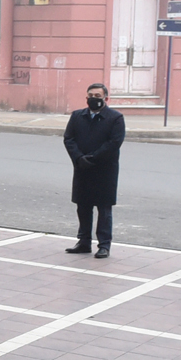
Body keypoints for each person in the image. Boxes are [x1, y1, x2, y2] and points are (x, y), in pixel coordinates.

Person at [63, 83, 125, 258]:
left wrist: (93, 158)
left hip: (105, 170)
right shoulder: (77, 116)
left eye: (98, 96)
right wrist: (79, 158)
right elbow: (69, 138)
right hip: (82, 168)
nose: (94, 99)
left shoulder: (115, 118)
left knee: (104, 209)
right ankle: (83, 242)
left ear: (106, 98)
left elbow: (114, 143)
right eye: (91, 95)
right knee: (83, 206)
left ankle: (104, 245)